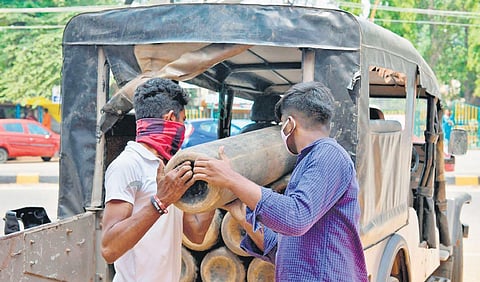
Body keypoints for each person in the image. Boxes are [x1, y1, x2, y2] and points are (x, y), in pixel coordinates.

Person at [193, 81, 368, 281]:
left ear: (290, 124)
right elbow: (283, 248)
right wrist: (241, 212)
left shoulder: (328, 156)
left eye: (281, 123)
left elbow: (295, 218)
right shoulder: (310, 159)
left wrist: (231, 178)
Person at [101, 78, 215, 282]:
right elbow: (109, 249)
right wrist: (160, 202)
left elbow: (196, 234)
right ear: (171, 118)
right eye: (183, 121)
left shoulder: (171, 170)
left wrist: (215, 188)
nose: (183, 128)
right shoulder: (127, 165)